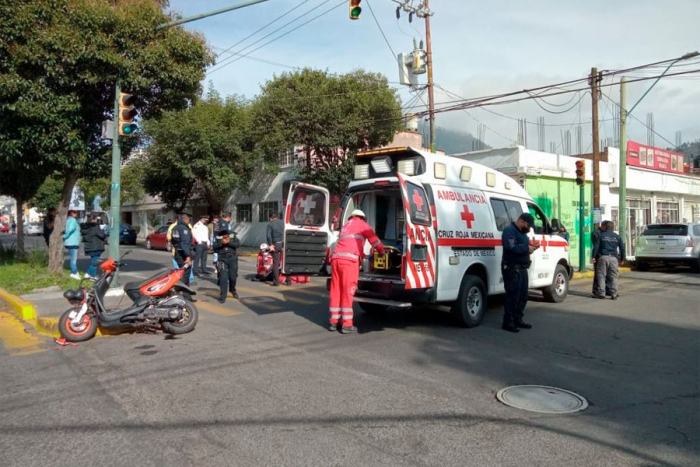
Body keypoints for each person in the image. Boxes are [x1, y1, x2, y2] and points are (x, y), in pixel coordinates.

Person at [328, 209, 384, 334]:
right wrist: (381, 251)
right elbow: (375, 241)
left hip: (336, 259)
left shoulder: (346, 226)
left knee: (336, 290)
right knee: (348, 291)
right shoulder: (363, 225)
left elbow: (349, 245)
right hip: (348, 263)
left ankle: (333, 322)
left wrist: (363, 255)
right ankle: (347, 324)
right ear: (363, 218)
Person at [501, 213, 539, 333]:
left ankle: (518, 319)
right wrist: (526, 248)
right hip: (512, 269)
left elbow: (523, 247)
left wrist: (531, 248)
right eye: (528, 225)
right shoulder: (509, 231)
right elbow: (510, 247)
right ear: (522, 222)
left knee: (523, 296)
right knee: (513, 296)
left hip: (522, 268)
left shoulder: (523, 234)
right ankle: (508, 322)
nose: (529, 228)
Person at [592, 220, 625, 300]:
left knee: (601, 275)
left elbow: (596, 247)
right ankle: (614, 294)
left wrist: (593, 256)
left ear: (605, 227)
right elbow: (622, 248)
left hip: (603, 257)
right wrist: (622, 258)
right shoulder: (617, 237)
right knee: (613, 276)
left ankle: (601, 293)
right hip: (614, 258)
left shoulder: (601, 235)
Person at [170, 212, 196, 301]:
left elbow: (173, 241)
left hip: (178, 252)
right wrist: (188, 256)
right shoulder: (183, 229)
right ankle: (176, 295)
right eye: (190, 219)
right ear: (188, 218)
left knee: (185, 275)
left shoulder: (175, 227)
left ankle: (187, 296)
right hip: (183, 255)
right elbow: (185, 244)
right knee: (185, 276)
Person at [213, 229, 240, 303]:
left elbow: (237, 245)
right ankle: (222, 296)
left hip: (232, 259)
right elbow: (214, 248)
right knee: (223, 278)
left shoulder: (232, 236)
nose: (225, 236)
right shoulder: (218, 238)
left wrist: (229, 242)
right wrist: (221, 243)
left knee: (233, 277)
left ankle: (232, 289)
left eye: (226, 234)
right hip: (222, 259)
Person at [81, 214, 107, 279]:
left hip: (89, 246)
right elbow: (101, 235)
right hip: (96, 246)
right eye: (95, 219)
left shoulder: (85, 227)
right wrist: (104, 236)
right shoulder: (95, 226)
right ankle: (91, 275)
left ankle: (88, 274)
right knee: (95, 262)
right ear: (93, 219)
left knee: (93, 260)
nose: (96, 220)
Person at [266, 212, 286, 286]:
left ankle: (276, 282)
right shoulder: (283, 223)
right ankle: (289, 280)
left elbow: (268, 236)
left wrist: (270, 245)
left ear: (271, 218)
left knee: (276, 263)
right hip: (284, 243)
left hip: (276, 244)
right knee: (286, 262)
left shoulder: (270, 224)